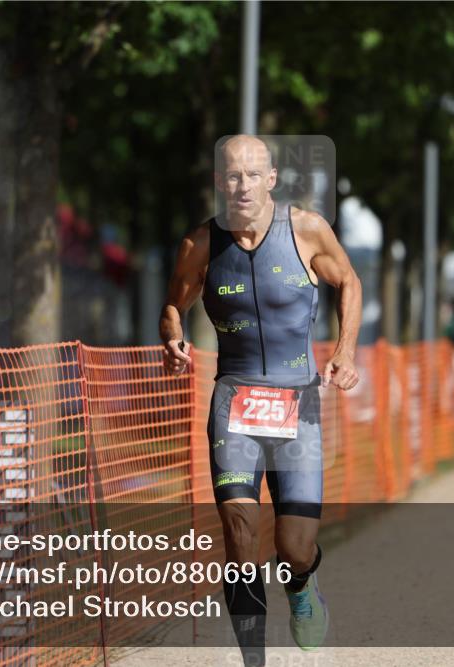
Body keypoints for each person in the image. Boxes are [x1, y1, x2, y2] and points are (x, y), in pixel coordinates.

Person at [160, 135, 362, 665]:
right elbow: (174, 304)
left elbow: (349, 283)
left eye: (253, 174)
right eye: (232, 175)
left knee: (294, 548)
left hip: (299, 405)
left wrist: (345, 351)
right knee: (239, 533)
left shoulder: (307, 230)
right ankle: (254, 659)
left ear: (271, 178)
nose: (242, 185)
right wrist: (171, 336)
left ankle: (302, 587)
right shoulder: (200, 244)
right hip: (234, 405)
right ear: (218, 182)